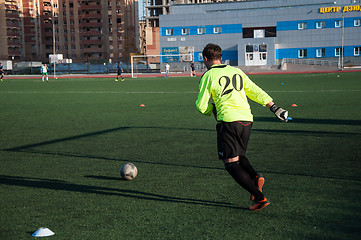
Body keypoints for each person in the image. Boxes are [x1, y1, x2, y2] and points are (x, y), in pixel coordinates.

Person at [196, 43, 288, 211]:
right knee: (239, 155)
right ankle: (254, 176)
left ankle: (260, 198)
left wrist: (212, 110)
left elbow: (201, 106)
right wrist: (274, 107)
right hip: (246, 120)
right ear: (221, 57)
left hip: (229, 121)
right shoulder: (236, 71)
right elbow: (254, 90)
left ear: (205, 58)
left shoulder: (208, 75)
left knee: (230, 163)